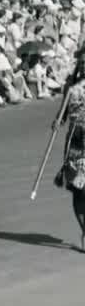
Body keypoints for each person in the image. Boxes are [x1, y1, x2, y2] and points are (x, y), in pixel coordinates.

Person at [55, 46, 85, 250]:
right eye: (82, 62)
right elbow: (63, 114)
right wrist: (58, 120)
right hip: (75, 142)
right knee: (78, 189)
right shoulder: (70, 87)